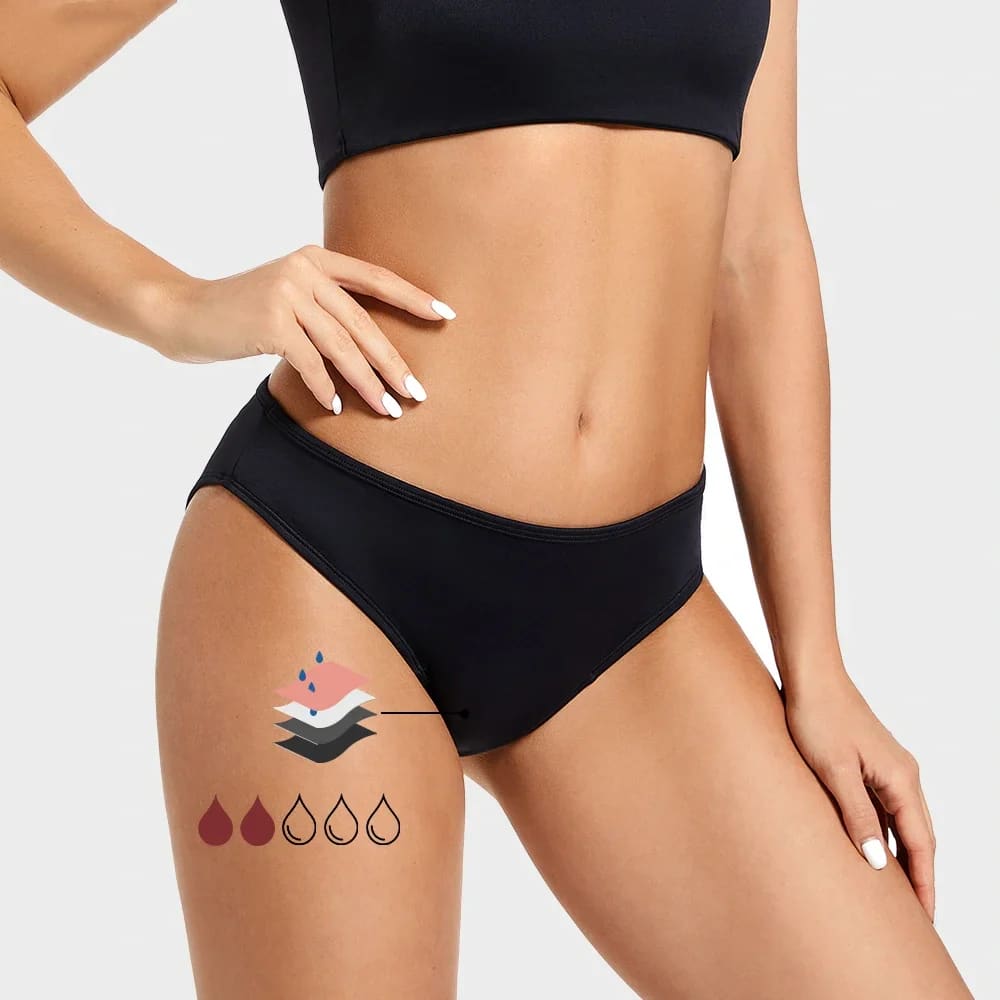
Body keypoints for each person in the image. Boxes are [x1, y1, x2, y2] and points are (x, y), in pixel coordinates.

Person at [0, 1, 973, 997]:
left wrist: (817, 667)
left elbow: (757, 249)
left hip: (635, 618)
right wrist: (170, 305)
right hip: (335, 578)